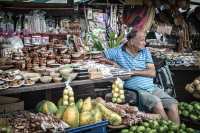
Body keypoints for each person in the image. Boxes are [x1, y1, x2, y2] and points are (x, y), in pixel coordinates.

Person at [103, 30, 180, 125]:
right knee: (157, 103)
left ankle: (176, 129)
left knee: (173, 104)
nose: (145, 43)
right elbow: (99, 56)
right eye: (142, 40)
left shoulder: (145, 51)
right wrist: (112, 64)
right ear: (131, 41)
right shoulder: (117, 51)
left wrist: (132, 72)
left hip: (151, 88)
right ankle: (168, 129)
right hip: (133, 90)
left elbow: (152, 73)